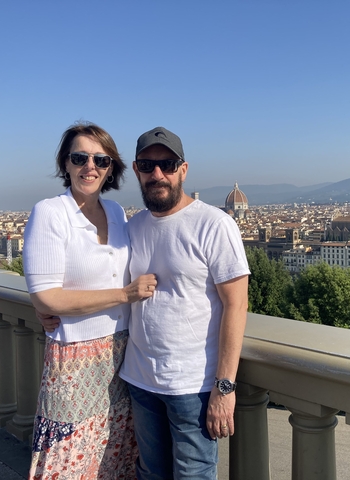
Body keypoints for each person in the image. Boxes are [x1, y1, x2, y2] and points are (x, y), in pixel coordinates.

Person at [23, 122, 157, 479]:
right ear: (65, 163)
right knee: (67, 458)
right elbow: (47, 294)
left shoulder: (116, 213)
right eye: (80, 157)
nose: (90, 166)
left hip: (123, 351)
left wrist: (50, 304)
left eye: (101, 159)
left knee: (114, 452)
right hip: (74, 357)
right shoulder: (50, 212)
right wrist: (124, 295)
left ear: (111, 167)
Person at [118, 126, 250, 479]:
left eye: (168, 164)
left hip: (194, 386)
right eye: (148, 165)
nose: (157, 173)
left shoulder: (215, 225)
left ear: (183, 169)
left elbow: (236, 306)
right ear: (136, 170)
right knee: (150, 473)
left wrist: (225, 388)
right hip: (140, 378)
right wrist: (50, 307)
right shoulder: (132, 228)